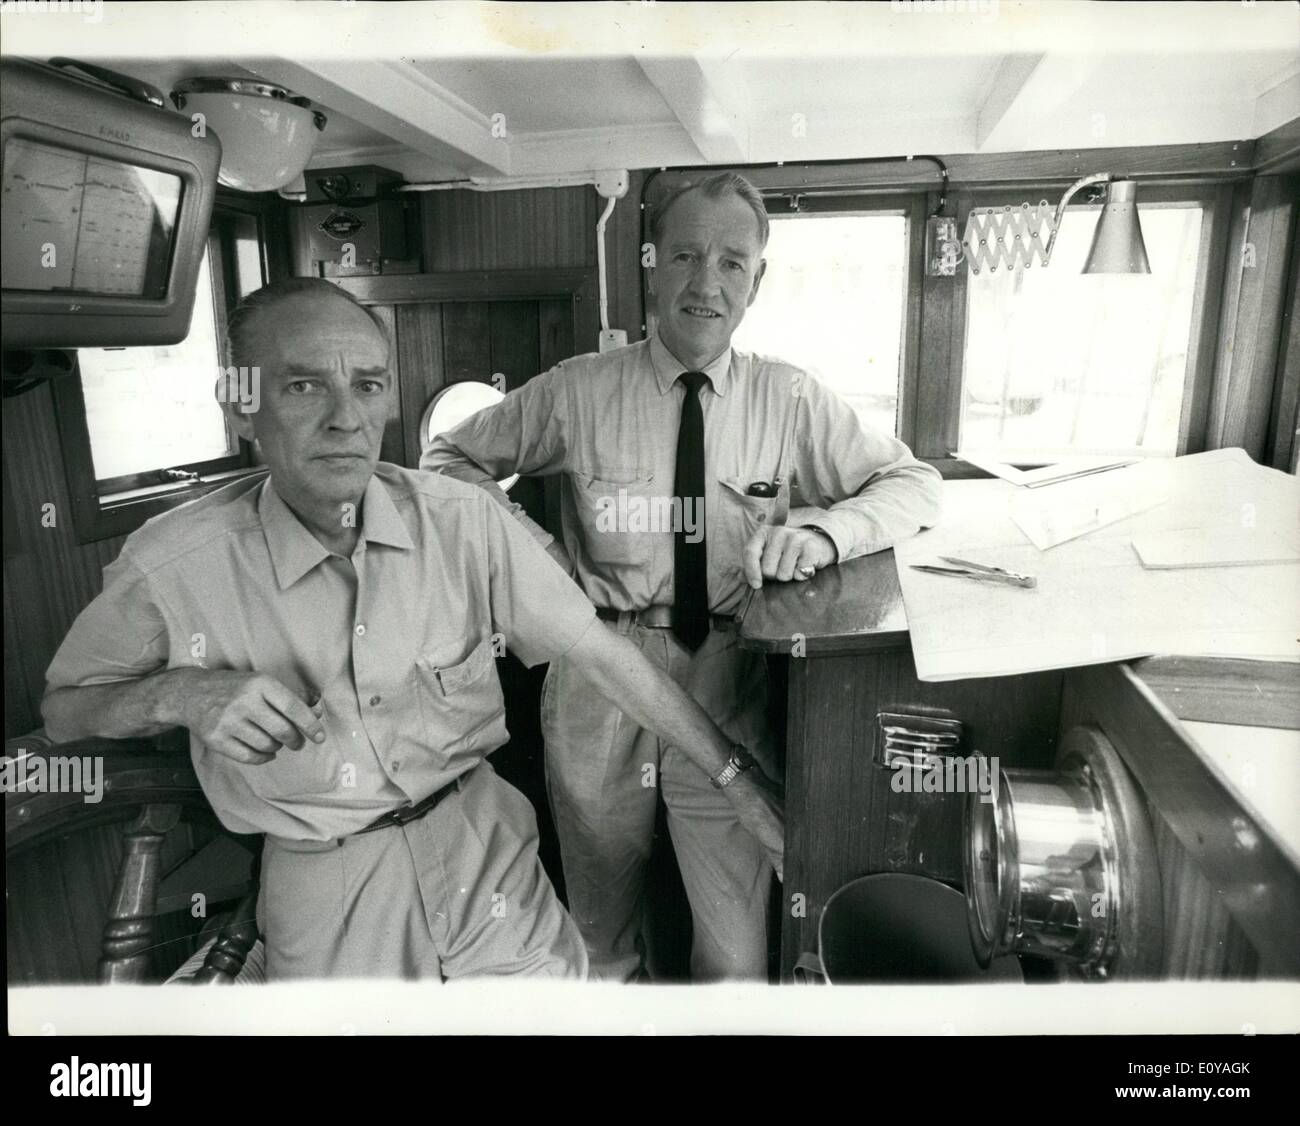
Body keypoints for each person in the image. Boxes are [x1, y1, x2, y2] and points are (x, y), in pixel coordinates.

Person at [41, 277, 783, 982]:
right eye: (303, 386)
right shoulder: (173, 563)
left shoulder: (464, 523)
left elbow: (602, 655)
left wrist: (738, 780)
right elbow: (65, 711)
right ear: (239, 406)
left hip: (484, 855)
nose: (345, 418)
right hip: (324, 881)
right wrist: (181, 693)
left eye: (367, 386)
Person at [421, 172, 943, 982]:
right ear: (651, 263)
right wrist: (537, 561)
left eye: (734, 262)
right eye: (688, 255)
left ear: (757, 281)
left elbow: (915, 484)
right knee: (598, 925)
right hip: (599, 674)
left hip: (726, 679)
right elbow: (445, 457)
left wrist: (827, 531)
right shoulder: (578, 391)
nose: (709, 282)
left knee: (734, 945)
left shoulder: (790, 397)